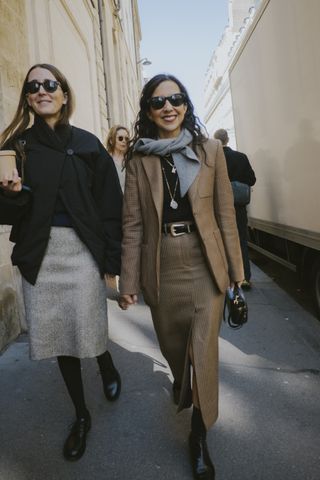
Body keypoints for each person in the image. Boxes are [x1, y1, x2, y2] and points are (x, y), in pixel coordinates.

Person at [118, 74, 244, 480]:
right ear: (149, 111)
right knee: (177, 353)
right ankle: (181, 384)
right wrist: (129, 282)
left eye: (175, 99)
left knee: (203, 352)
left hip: (205, 263)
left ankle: (199, 435)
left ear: (186, 105)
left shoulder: (210, 151)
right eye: (158, 102)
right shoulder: (139, 160)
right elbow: (133, 225)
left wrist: (236, 275)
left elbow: (226, 215)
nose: (168, 107)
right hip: (162, 264)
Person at [0, 64, 123, 461]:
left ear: (64, 94)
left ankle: (105, 363)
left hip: (82, 250)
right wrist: (13, 193)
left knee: (88, 323)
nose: (42, 91)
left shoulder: (89, 145)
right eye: (33, 86)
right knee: (59, 335)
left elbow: (110, 206)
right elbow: (6, 214)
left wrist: (112, 258)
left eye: (49, 84)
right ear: (28, 97)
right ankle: (81, 415)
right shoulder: (15, 147)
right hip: (40, 254)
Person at [214, 128, 256, 290]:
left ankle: (225, 278)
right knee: (241, 242)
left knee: (220, 242)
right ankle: (244, 277)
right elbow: (252, 180)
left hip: (218, 207)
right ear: (228, 140)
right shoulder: (241, 157)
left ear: (216, 141)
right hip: (238, 208)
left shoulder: (213, 158)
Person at [105, 125, 130, 191]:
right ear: (111, 141)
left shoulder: (131, 159)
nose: (124, 141)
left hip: (129, 199)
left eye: (126, 139)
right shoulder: (105, 160)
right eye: (120, 138)